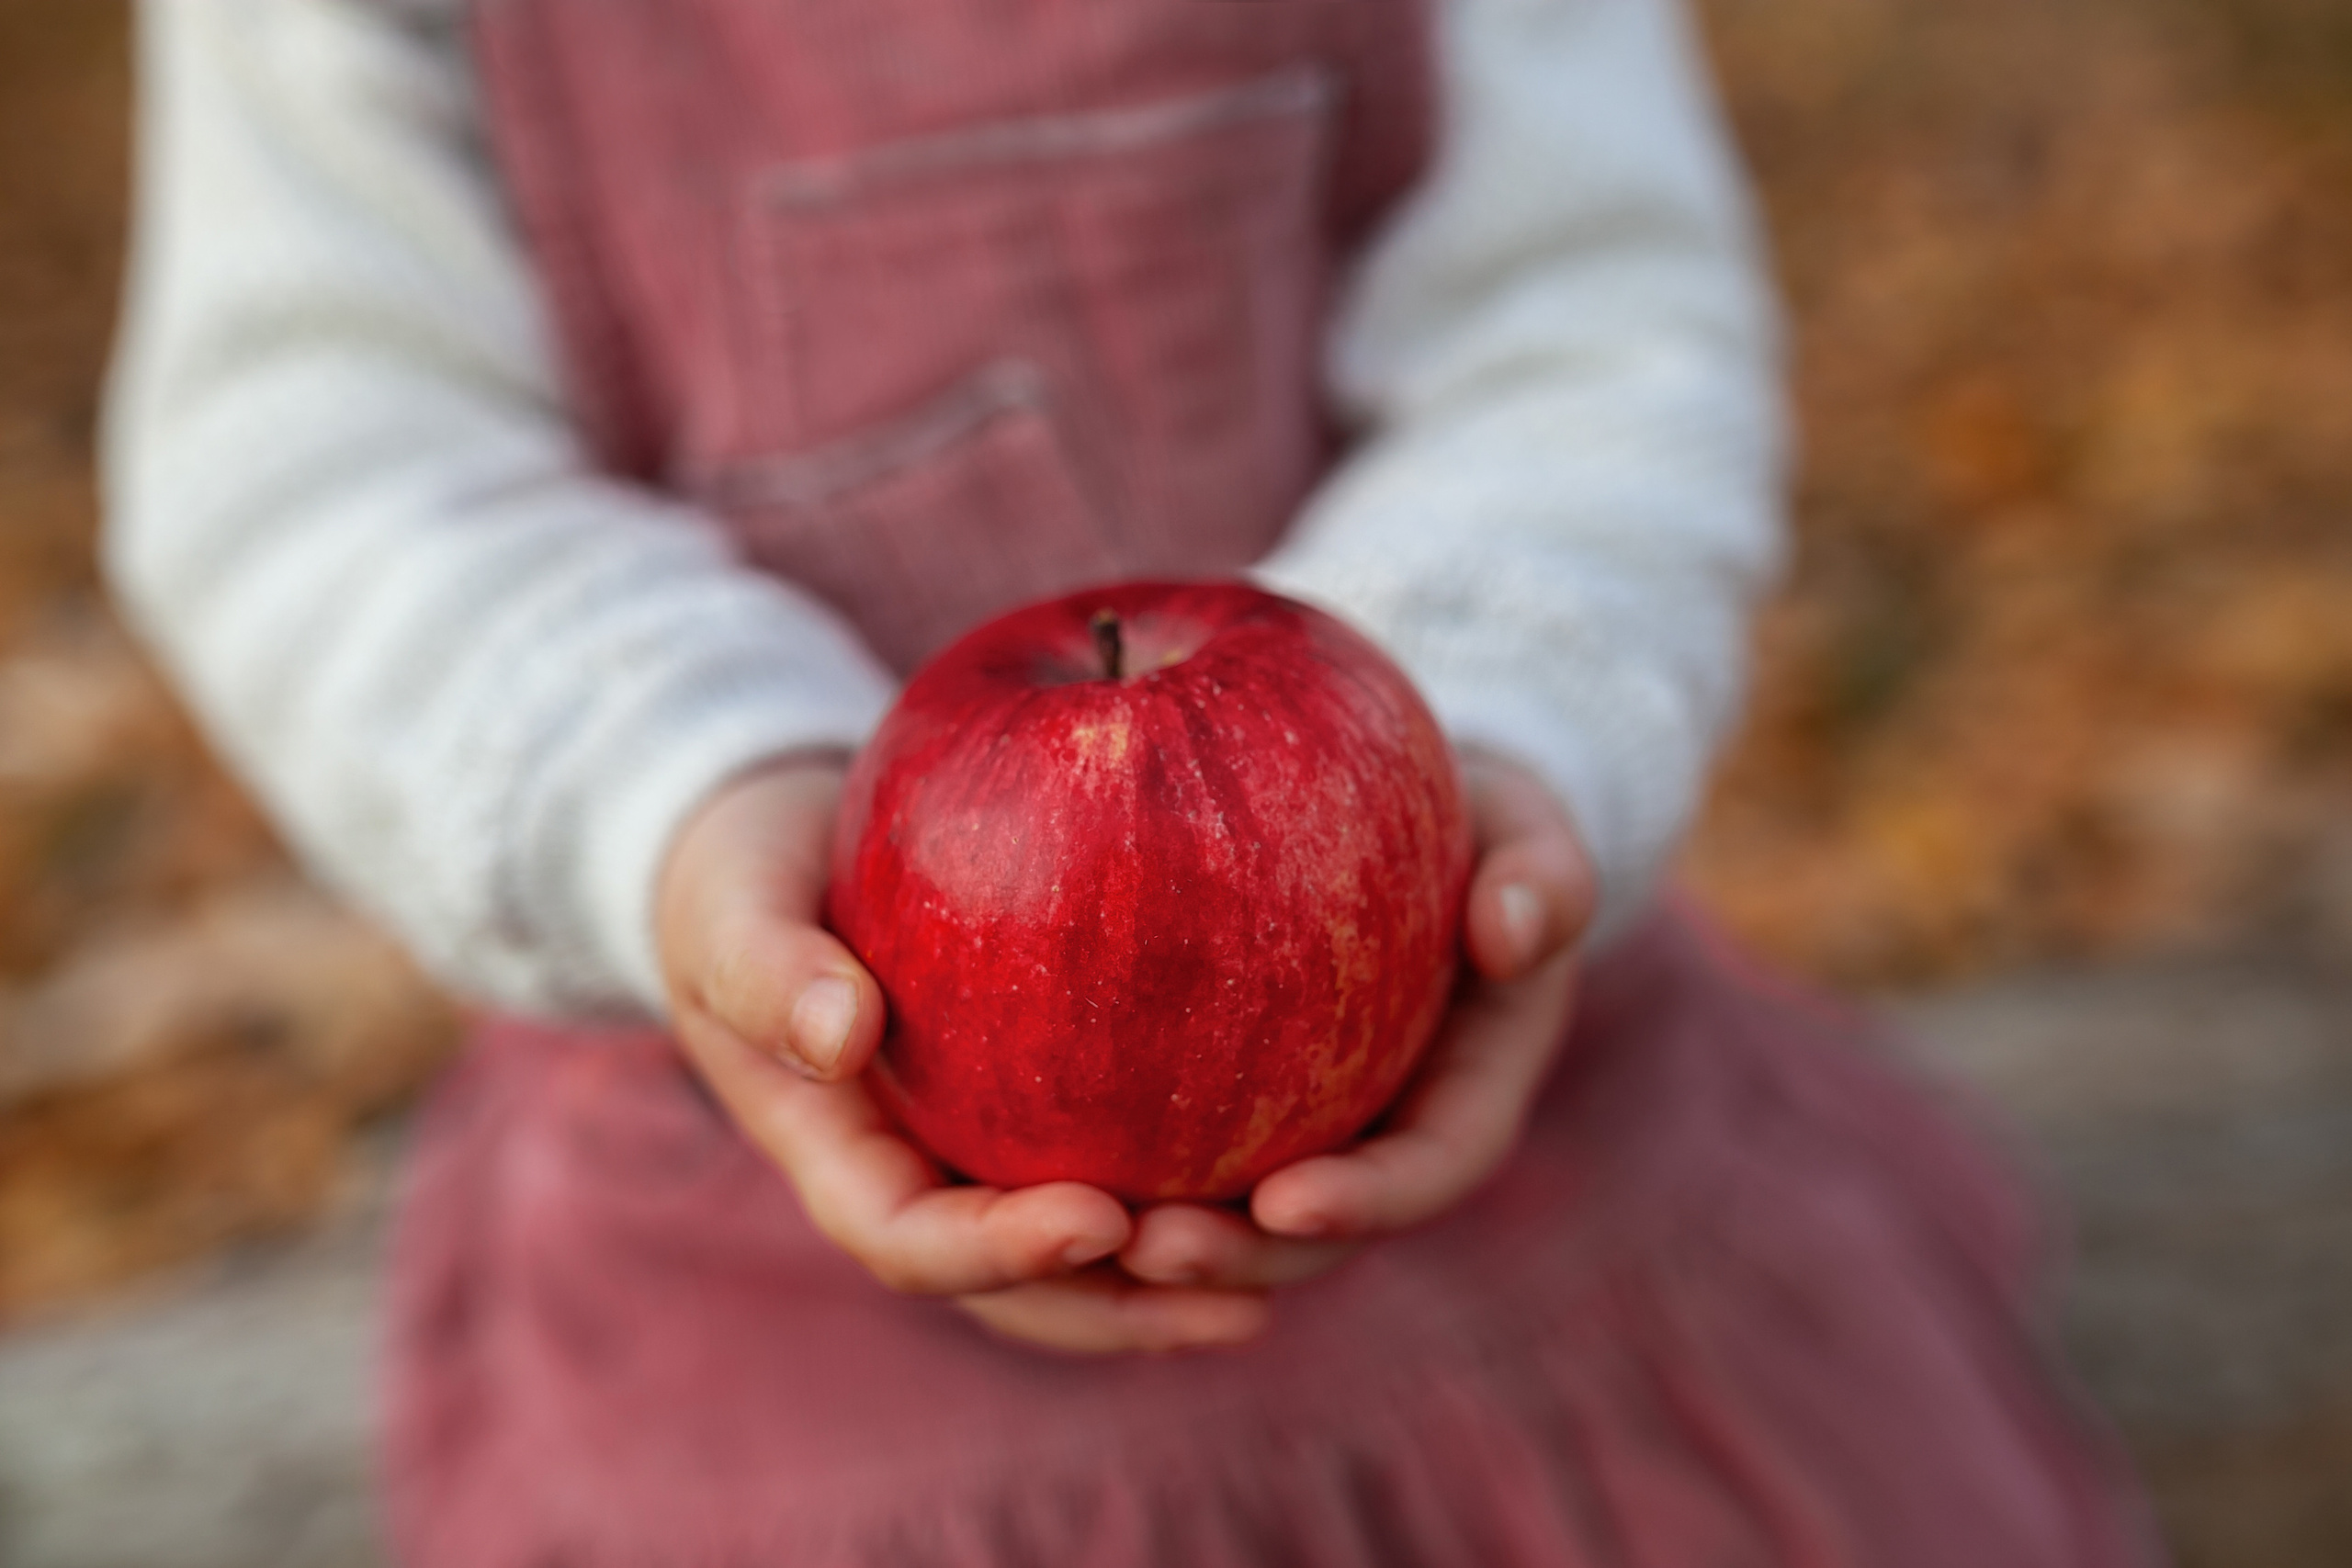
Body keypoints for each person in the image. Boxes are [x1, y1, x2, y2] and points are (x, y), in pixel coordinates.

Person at [105, 0, 2160, 1562]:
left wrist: (1482, 726)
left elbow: (1587, 315)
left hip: (1518, 1138)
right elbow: (313, 455)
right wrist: (669, 784)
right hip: (742, 1269)